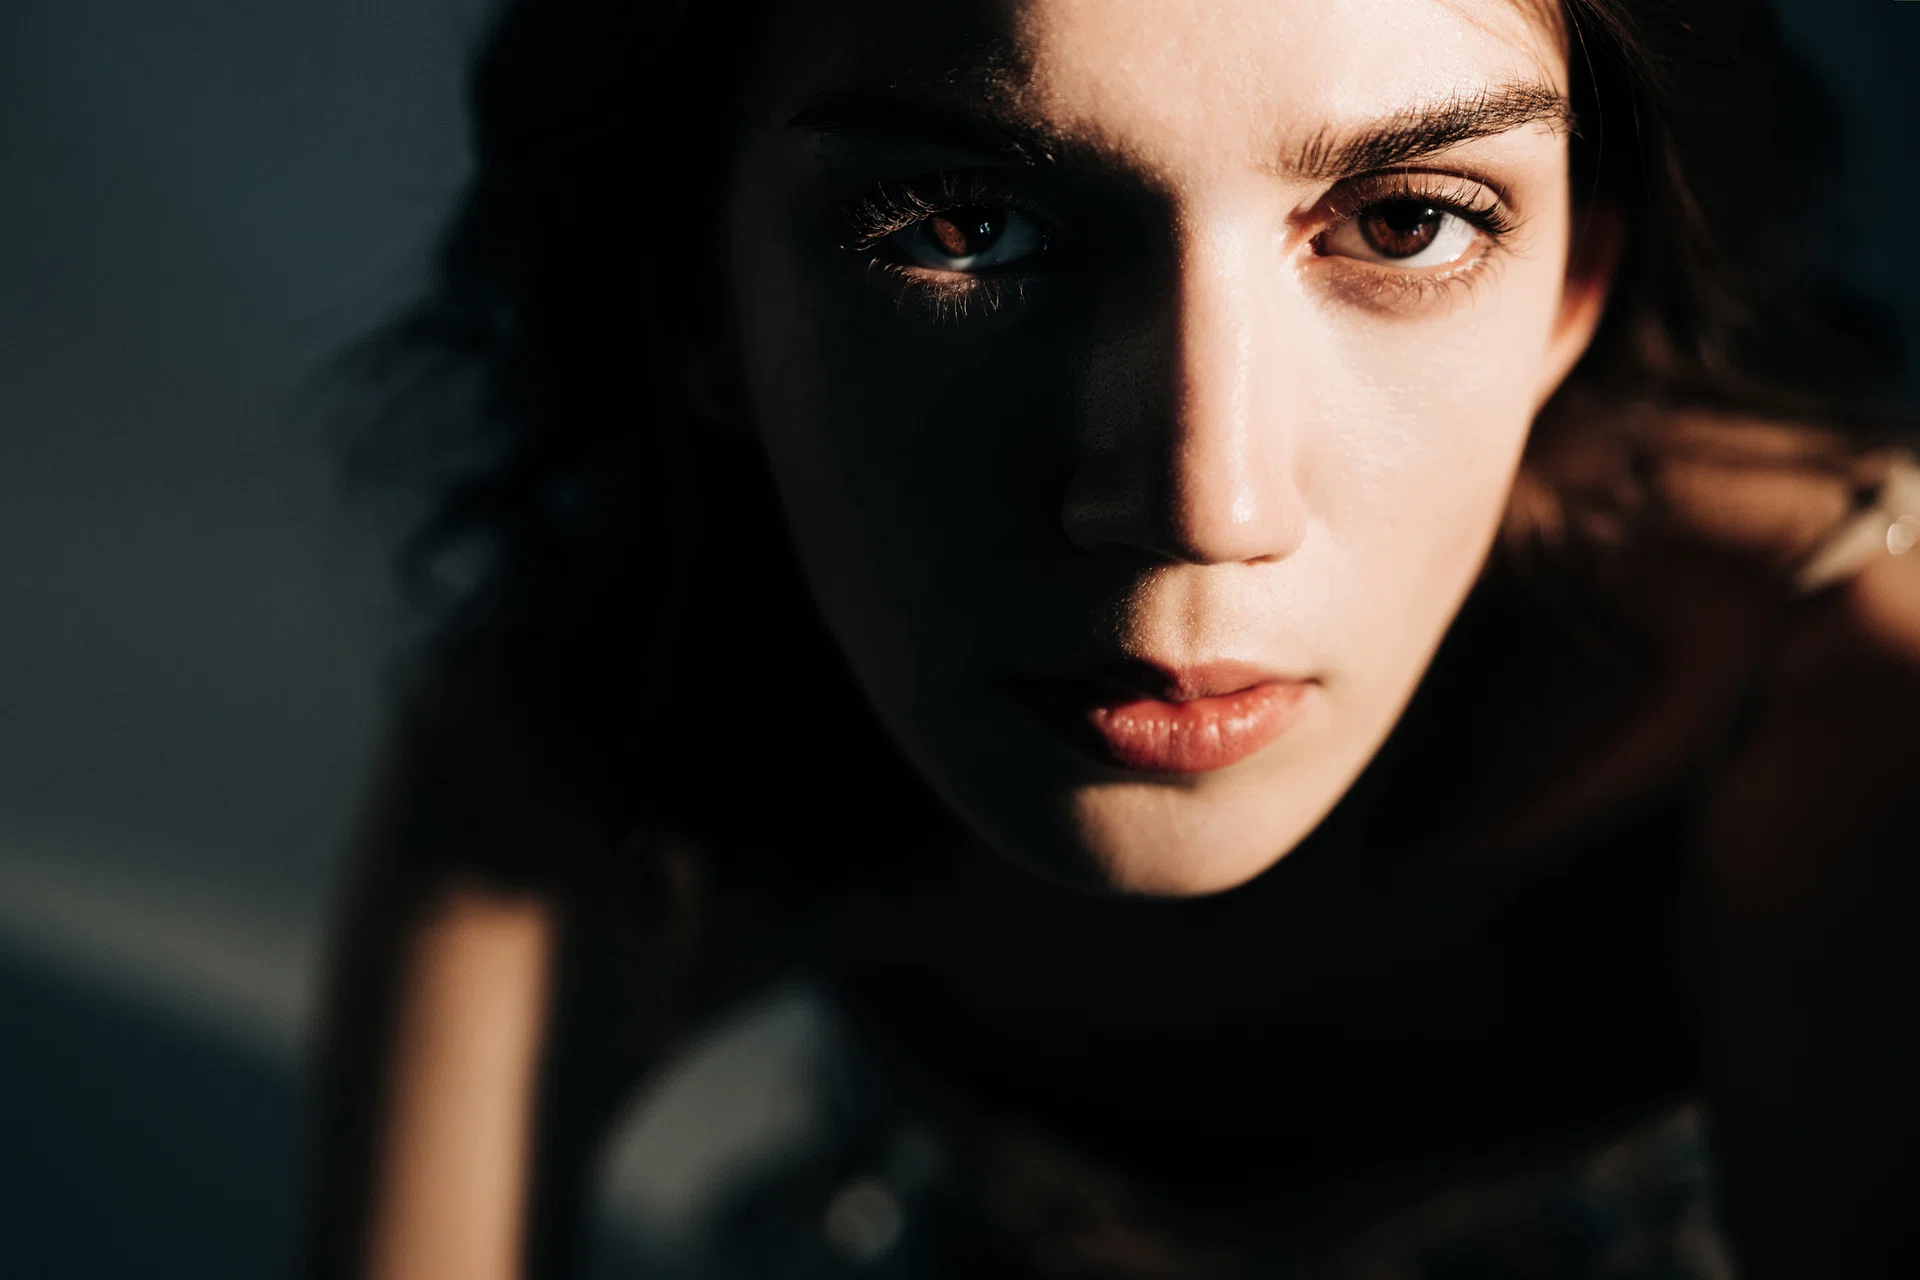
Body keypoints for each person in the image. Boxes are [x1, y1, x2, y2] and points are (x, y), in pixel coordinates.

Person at [304, 0, 1920, 1275]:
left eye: (1406, 222)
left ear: (1580, 276)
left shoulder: (1834, 695)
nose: (1203, 505)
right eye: (962, 228)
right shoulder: (609, 722)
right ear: (695, 295)